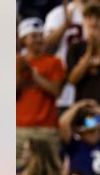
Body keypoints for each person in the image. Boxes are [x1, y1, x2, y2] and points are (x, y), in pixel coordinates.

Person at [17, 17, 66, 164]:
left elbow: (56, 91)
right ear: (23, 40)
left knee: (48, 172)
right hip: (19, 128)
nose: (38, 40)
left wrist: (32, 73)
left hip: (47, 128)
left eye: (40, 36)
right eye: (33, 36)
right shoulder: (15, 62)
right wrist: (19, 72)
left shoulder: (54, 62)